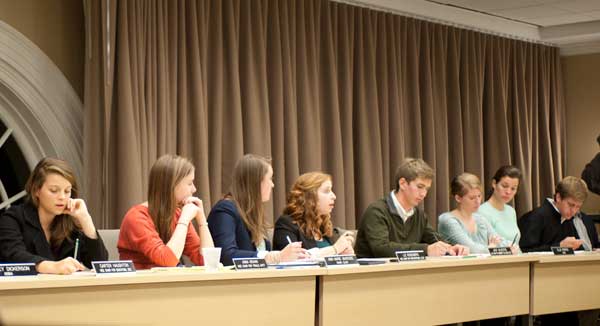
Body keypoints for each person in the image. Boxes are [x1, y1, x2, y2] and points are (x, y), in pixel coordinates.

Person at [0, 158, 108, 274]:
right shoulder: (13, 218)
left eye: (67, 191)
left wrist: (85, 219)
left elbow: (100, 263)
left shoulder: (71, 221)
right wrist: (52, 267)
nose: (62, 197)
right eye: (54, 190)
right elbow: (13, 255)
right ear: (36, 190)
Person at [354, 158, 468, 258]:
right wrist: (426, 250)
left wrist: (451, 248)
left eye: (427, 189)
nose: (424, 194)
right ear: (403, 183)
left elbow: (434, 240)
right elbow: (381, 249)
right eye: (420, 187)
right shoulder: (377, 211)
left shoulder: (419, 215)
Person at [208, 154, 307, 265]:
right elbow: (226, 255)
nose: (273, 185)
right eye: (270, 179)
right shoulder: (225, 210)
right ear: (256, 182)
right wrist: (275, 257)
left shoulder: (252, 213)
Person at [118, 154, 214, 269]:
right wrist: (184, 220)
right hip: (141, 284)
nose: (194, 189)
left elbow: (207, 261)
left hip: (169, 283)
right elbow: (167, 261)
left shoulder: (177, 214)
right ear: (171, 185)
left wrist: (202, 220)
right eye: (189, 183)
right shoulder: (137, 217)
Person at [272, 172, 354, 258]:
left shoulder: (324, 227)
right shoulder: (286, 224)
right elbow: (295, 259)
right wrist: (335, 249)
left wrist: (345, 256)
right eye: (326, 191)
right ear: (309, 197)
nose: (334, 196)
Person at [438, 173, 516, 254]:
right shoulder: (448, 220)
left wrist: (511, 246)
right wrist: (492, 247)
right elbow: (471, 249)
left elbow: (499, 241)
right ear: (458, 198)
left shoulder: (480, 219)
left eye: (479, 196)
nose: (478, 201)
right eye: (472, 198)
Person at [519, 176, 598, 252]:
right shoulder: (535, 217)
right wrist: (559, 247)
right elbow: (524, 252)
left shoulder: (570, 217)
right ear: (558, 197)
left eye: (578, 207)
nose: (574, 211)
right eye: (571, 205)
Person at [477, 166, 522, 251]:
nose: (508, 192)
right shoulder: (481, 212)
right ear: (494, 183)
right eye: (504, 186)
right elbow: (484, 248)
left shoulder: (511, 211)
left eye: (513, 188)